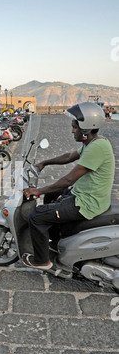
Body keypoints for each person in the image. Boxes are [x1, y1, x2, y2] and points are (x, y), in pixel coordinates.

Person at [22, 102, 115, 270]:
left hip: (87, 203)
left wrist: (38, 190)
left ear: (85, 130)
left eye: (75, 127)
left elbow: (68, 180)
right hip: (85, 194)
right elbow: (69, 156)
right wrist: (44, 163)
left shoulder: (97, 148)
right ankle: (56, 239)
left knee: (36, 216)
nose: (72, 130)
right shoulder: (94, 143)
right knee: (51, 197)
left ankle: (42, 261)